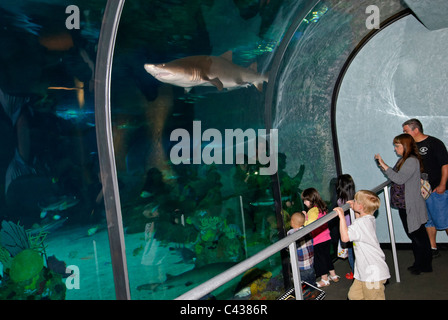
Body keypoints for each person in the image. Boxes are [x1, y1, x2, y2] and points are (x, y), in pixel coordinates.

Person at [375, 133, 432, 274]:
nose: (395, 149)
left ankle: (422, 265)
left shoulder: (411, 161)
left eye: (397, 145)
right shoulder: (404, 160)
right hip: (405, 205)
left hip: (410, 205)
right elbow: (395, 175)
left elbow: (399, 179)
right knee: (417, 235)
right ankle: (422, 263)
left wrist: (383, 163)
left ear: (405, 146)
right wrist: (384, 166)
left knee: (417, 236)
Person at [402, 118, 448, 257]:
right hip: (420, 192)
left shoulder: (434, 143)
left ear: (415, 130)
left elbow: (445, 166)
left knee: (444, 220)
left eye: (406, 131)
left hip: (436, 190)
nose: (404, 133)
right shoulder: (410, 147)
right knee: (428, 220)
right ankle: (432, 247)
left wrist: (442, 185)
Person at [334, 190, 390, 300]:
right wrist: (354, 208)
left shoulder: (361, 224)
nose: (353, 202)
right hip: (364, 271)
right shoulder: (368, 218)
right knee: (354, 296)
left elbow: (345, 237)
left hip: (372, 273)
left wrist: (341, 217)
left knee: (373, 297)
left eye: (355, 201)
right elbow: (358, 223)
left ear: (360, 207)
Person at [301, 188, 339, 287]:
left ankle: (324, 279)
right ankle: (333, 275)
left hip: (318, 240)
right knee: (327, 257)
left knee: (320, 260)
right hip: (326, 237)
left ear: (311, 199)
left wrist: (305, 218)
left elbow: (309, 225)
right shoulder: (321, 207)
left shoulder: (312, 210)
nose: (304, 202)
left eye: (305, 200)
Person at [287, 212, 316, 285]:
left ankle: (305, 296)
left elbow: (287, 246)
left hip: (300, 267)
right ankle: (314, 294)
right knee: (312, 282)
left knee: (302, 285)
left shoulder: (291, 233)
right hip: (310, 264)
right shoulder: (307, 230)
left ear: (292, 222)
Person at [336, 174, 356, 279]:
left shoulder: (341, 201)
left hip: (348, 231)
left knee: (351, 254)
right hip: (357, 230)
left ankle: (355, 273)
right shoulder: (356, 198)